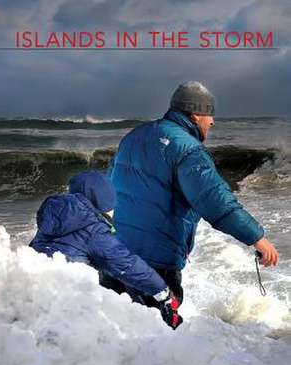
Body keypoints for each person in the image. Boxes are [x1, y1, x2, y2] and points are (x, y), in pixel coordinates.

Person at [101, 81, 279, 308]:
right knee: (159, 334)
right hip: (154, 267)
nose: (213, 121)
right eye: (209, 114)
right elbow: (215, 200)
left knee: (116, 329)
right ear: (195, 115)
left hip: (115, 257)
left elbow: (108, 187)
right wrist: (257, 238)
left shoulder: (133, 137)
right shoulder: (188, 149)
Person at [29, 171, 183, 329]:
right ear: (103, 199)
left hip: (33, 286)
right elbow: (127, 265)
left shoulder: (53, 216)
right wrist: (162, 292)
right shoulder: (93, 229)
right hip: (65, 299)